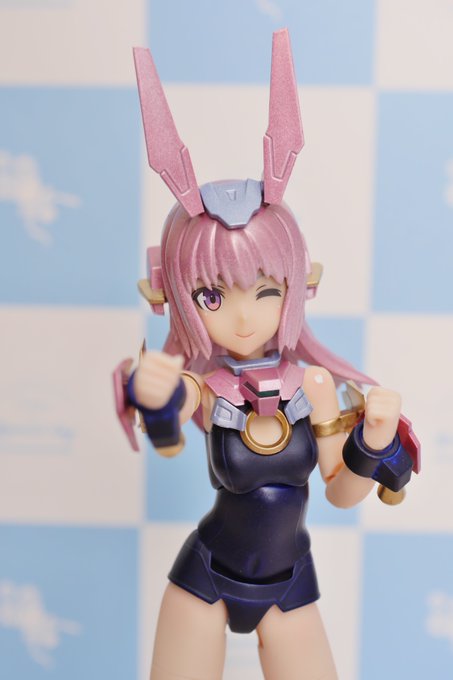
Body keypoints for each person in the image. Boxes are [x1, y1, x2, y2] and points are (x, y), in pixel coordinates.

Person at [114, 29, 418, 680]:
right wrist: (157, 398)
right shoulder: (208, 384)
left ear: (296, 286)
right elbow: (171, 433)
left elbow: (339, 493)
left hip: (290, 584)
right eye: (212, 296)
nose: (244, 316)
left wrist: (374, 440)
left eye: (266, 289)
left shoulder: (312, 385)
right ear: (179, 296)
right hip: (205, 580)